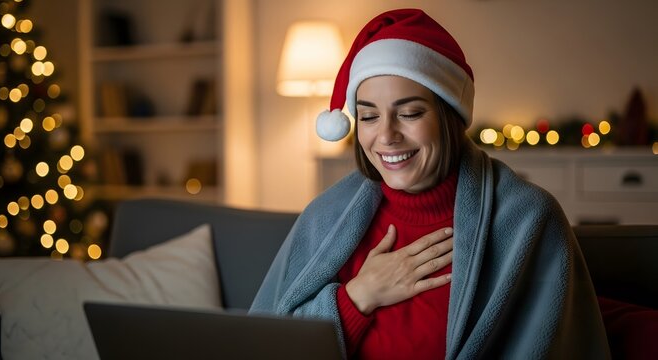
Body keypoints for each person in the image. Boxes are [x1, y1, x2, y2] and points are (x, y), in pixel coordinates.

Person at [250, 8, 610, 359]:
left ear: (450, 116)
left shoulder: (527, 219)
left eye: (409, 113)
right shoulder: (326, 216)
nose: (386, 136)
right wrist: (358, 296)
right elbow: (267, 342)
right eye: (369, 116)